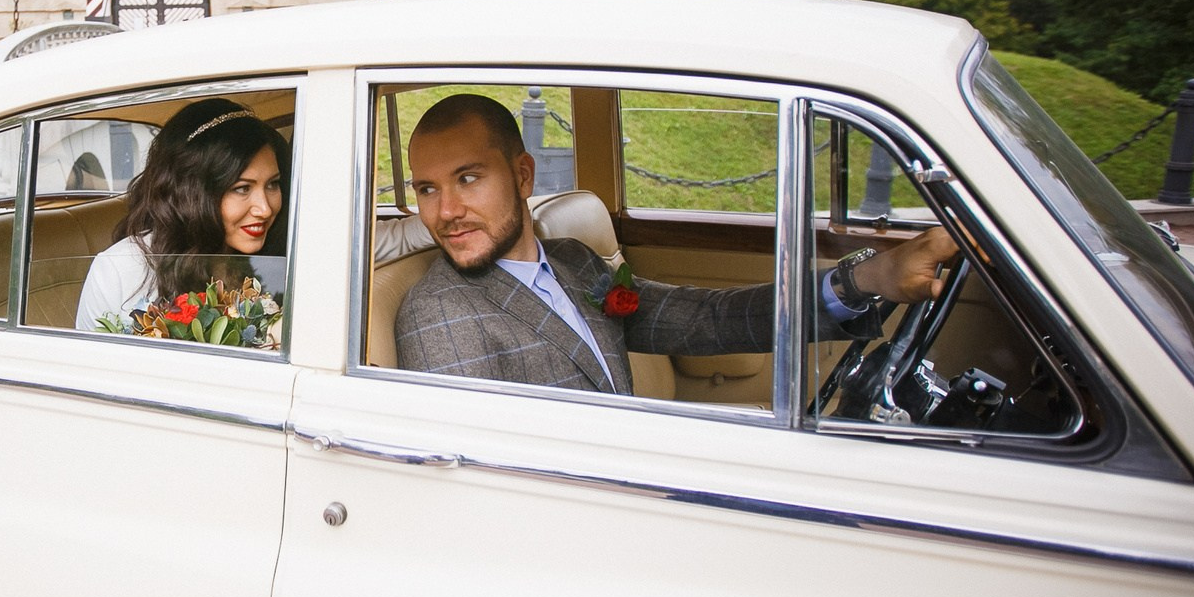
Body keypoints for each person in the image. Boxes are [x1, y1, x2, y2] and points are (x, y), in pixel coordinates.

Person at [393, 94, 959, 393]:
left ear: (522, 176)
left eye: (468, 179)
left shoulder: (573, 262)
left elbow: (704, 319)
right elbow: (492, 490)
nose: (445, 212)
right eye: (427, 188)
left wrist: (869, 280)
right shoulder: (439, 314)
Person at [75, 97, 290, 330]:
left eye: (272, 184)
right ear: (192, 192)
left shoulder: (286, 259)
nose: (265, 208)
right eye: (242, 188)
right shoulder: (121, 270)